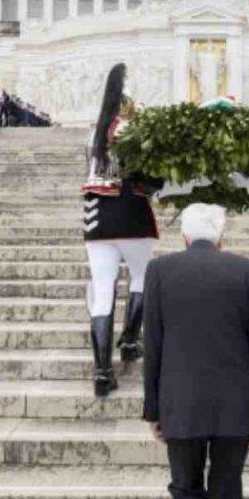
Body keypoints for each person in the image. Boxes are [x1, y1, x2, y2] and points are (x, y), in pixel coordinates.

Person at [143, 203, 249, 499]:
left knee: (185, 490)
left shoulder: (159, 270)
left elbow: (153, 344)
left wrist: (153, 410)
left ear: (184, 237)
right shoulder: (244, 270)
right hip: (234, 405)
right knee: (227, 493)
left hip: (181, 401)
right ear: (221, 239)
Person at [81, 64, 160, 397]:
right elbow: (148, 177)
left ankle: (102, 371)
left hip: (97, 218)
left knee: (102, 290)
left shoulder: (93, 133)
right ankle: (129, 339)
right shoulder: (133, 132)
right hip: (131, 214)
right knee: (140, 277)